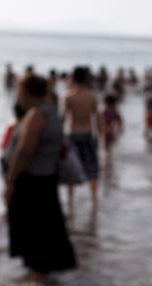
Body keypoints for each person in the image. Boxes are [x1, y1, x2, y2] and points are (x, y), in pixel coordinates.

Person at [4, 73, 76, 277]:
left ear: (26, 91)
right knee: (45, 237)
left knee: (34, 239)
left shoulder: (35, 115)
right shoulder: (52, 112)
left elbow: (24, 151)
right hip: (46, 180)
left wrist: (10, 182)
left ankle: (36, 285)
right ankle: (41, 281)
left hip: (31, 183)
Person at [62, 66, 100, 211]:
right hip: (87, 133)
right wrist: (99, 136)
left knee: (71, 166)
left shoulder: (68, 96)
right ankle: (94, 201)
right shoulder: (92, 96)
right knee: (92, 168)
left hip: (73, 133)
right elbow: (97, 118)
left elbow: (64, 118)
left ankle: (70, 201)